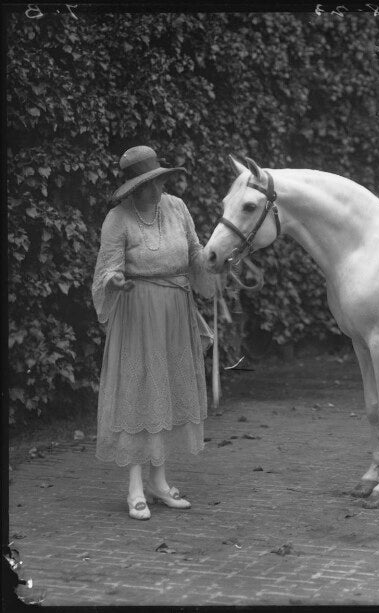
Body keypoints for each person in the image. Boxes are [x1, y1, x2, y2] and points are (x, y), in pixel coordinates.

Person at [92, 145, 214, 520]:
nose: (155, 190)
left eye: (159, 181)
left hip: (176, 310)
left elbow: (195, 254)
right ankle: (134, 487)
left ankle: (159, 482)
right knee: (139, 389)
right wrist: (114, 278)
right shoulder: (118, 218)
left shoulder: (177, 207)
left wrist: (216, 264)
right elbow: (107, 269)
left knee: (168, 388)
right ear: (132, 188)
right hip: (138, 311)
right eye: (146, 185)